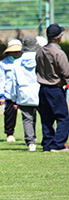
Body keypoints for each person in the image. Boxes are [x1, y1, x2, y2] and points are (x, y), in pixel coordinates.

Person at [36, 23, 69, 152]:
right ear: (59, 37)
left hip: (43, 88)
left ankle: (47, 144)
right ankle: (59, 145)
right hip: (55, 89)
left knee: (46, 118)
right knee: (63, 117)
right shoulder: (58, 53)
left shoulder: (40, 51)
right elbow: (66, 72)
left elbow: (37, 69)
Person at [11, 36, 41, 151]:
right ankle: (48, 140)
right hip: (39, 91)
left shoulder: (17, 62)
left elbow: (14, 82)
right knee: (46, 117)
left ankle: (31, 143)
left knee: (27, 119)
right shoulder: (40, 59)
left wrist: (14, 98)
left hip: (23, 93)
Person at [0, 39, 22, 142]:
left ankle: (31, 135)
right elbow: (0, 80)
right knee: (9, 115)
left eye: (18, 51)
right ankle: (9, 134)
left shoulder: (25, 61)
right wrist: (1, 96)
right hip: (9, 94)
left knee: (30, 114)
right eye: (14, 51)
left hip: (23, 93)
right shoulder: (2, 64)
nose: (16, 53)